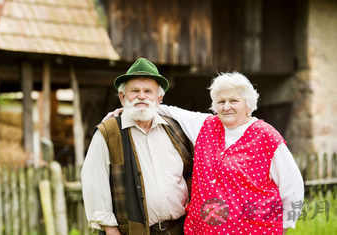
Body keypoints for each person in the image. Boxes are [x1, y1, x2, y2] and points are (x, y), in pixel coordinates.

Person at [107, 72, 304, 235]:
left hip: (254, 229)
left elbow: (292, 184)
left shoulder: (266, 136)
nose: (226, 107)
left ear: (248, 103)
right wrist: (133, 108)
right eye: (221, 101)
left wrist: (284, 225)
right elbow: (171, 110)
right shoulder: (206, 126)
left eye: (233, 100)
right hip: (202, 229)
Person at [81, 58, 194, 235]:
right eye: (135, 91)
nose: (141, 96)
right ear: (122, 97)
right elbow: (94, 183)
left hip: (179, 229)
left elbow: (191, 173)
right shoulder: (108, 133)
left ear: (159, 98)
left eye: (148, 91)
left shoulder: (175, 129)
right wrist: (111, 231)